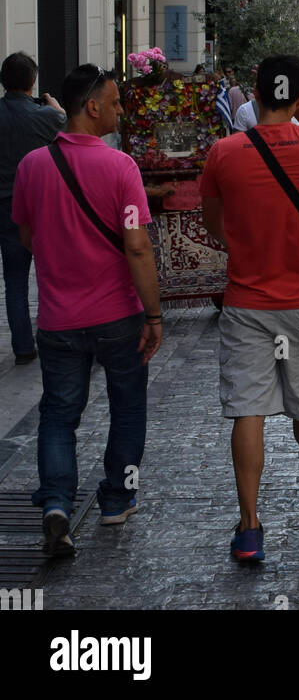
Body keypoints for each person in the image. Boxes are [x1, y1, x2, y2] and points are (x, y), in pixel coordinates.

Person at [200, 55, 299, 564]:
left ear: (254, 96)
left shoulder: (224, 153)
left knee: (248, 408)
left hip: (246, 300)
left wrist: (237, 246)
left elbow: (212, 222)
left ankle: (248, 526)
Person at [12, 65, 161, 556]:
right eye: (116, 103)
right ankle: (118, 498)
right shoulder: (122, 168)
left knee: (58, 415)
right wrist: (154, 315)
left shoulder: (32, 166)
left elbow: (29, 238)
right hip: (118, 316)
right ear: (92, 107)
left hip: (58, 319)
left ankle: (56, 503)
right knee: (128, 408)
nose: (121, 110)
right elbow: (138, 247)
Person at [0, 52, 66, 363]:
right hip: (38, 206)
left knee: (14, 280)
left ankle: (23, 347)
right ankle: (58, 334)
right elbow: (65, 121)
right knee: (51, 272)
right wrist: (51, 101)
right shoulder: (47, 116)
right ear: (33, 82)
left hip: (3, 207)